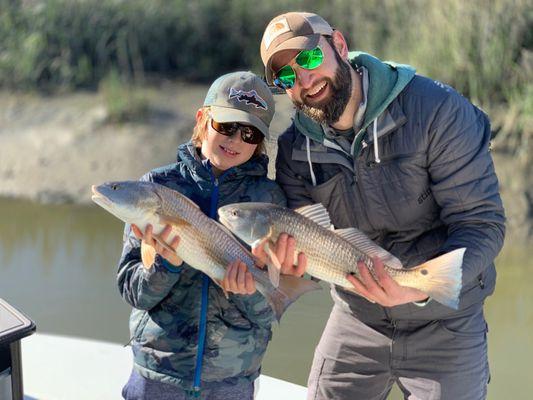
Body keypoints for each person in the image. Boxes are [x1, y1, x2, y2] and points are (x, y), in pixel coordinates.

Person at [256, 11, 505, 400]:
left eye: (307, 59)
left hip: (446, 321)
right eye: (286, 77)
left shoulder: (437, 110)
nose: (304, 80)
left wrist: (417, 291)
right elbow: (310, 270)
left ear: (339, 45)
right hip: (358, 318)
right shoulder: (292, 150)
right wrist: (288, 270)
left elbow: (482, 224)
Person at [117, 71, 286, 400]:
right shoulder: (156, 188)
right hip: (157, 373)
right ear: (202, 119)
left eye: (249, 133)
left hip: (232, 379)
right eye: (226, 126)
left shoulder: (269, 203)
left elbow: (271, 310)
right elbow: (132, 291)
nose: (235, 139)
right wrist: (165, 266)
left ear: (261, 141)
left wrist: (247, 290)